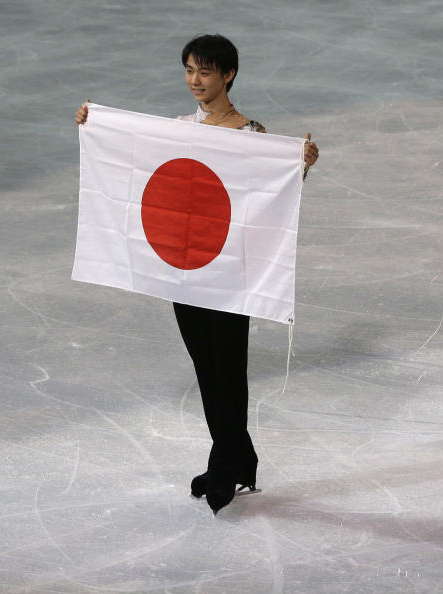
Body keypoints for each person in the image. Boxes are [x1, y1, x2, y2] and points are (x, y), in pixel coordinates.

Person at [75, 34, 319, 514]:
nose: (194, 81)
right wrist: (93, 123)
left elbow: (268, 194)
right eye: (188, 70)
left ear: (228, 75)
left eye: (204, 72)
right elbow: (138, 162)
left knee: (229, 371)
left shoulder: (250, 135)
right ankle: (238, 456)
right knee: (207, 370)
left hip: (229, 274)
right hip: (185, 272)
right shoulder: (181, 129)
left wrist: (301, 166)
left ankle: (224, 467)